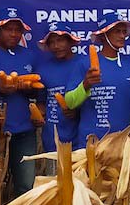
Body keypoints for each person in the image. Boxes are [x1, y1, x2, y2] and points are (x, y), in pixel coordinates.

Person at [0, 7, 43, 199]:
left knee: (26, 185)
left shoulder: (30, 56)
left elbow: (39, 90)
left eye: (18, 30)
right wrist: (0, 90)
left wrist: (29, 89)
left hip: (24, 130)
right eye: (9, 29)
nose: (14, 34)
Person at [67, 11, 130, 148]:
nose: (122, 36)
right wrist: (86, 84)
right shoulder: (84, 64)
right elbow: (70, 102)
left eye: (124, 31)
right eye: (117, 31)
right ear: (103, 35)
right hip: (93, 140)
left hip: (126, 140)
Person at [34, 22, 89, 172]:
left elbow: (95, 98)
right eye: (51, 42)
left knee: (81, 188)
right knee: (56, 188)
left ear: (71, 40)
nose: (56, 46)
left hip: (80, 138)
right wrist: (38, 115)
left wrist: (77, 110)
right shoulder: (43, 69)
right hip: (53, 139)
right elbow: (41, 101)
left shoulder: (85, 64)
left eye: (60, 40)